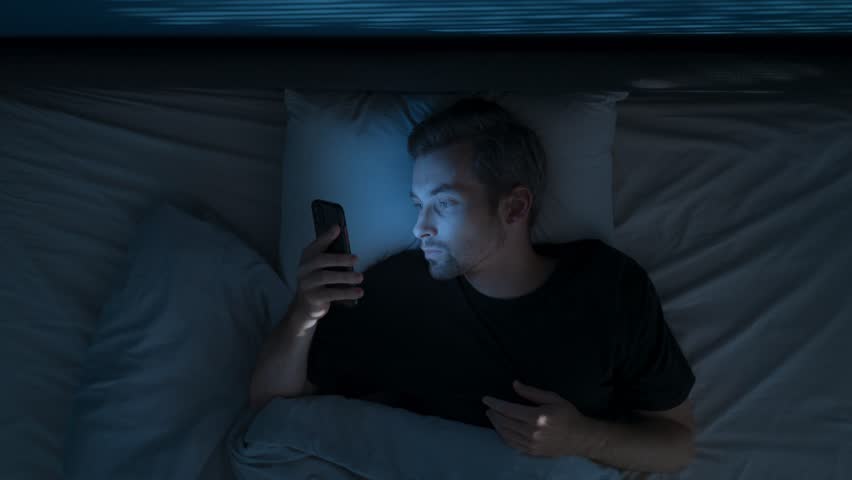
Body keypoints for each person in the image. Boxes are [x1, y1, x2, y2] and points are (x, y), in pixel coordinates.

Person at [249, 98, 697, 474]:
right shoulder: (399, 291)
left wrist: (582, 437)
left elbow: (676, 444)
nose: (420, 227)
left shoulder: (608, 287)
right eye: (418, 204)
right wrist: (303, 313)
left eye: (443, 203)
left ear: (514, 207)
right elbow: (273, 409)